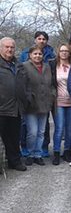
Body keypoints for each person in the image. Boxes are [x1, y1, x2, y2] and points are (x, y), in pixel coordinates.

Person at [19, 31, 56, 158]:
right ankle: (29, 152)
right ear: (30, 55)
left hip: (44, 104)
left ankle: (37, 153)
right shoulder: (24, 66)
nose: (38, 56)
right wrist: (27, 99)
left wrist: (51, 97)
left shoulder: (47, 67)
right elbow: (22, 85)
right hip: (31, 105)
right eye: (35, 54)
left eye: (40, 54)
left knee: (41, 132)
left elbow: (51, 84)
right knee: (32, 132)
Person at [0, 37, 27, 171]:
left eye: (12, 47)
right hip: (2, 108)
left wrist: (27, 98)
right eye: (6, 47)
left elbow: (24, 84)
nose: (9, 49)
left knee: (14, 138)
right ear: (1, 48)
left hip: (16, 108)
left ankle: (15, 162)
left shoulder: (18, 65)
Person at [50, 44, 71, 165]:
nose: (64, 53)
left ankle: (68, 151)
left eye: (66, 51)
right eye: (62, 51)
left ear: (69, 53)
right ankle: (57, 152)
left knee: (69, 129)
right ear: (58, 52)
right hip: (58, 101)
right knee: (59, 128)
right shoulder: (53, 65)